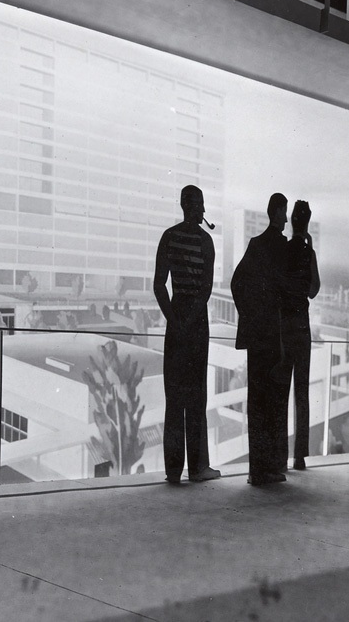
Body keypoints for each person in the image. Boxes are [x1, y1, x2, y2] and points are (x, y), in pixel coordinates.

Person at [153, 185, 221, 485]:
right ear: (194, 206)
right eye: (201, 204)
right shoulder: (206, 241)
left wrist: (174, 319)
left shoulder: (168, 237)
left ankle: (172, 470)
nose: (203, 210)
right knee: (196, 395)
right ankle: (197, 468)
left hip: (176, 316)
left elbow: (159, 285)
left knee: (175, 395)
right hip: (196, 320)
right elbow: (205, 290)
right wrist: (190, 319)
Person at [230, 193, 289, 485]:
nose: (287, 216)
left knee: (257, 402)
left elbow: (236, 283)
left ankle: (257, 470)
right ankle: (269, 468)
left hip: (257, 335)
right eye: (285, 211)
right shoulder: (281, 247)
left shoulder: (256, 244)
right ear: (277, 212)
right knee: (272, 403)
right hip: (275, 335)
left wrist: (249, 316)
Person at [280, 200, 320, 471]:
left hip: (285, 328)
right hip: (303, 328)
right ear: (306, 224)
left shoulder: (284, 249)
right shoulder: (308, 253)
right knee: (302, 392)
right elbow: (313, 290)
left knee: (282, 392)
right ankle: (300, 456)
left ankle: (280, 455)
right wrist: (311, 248)